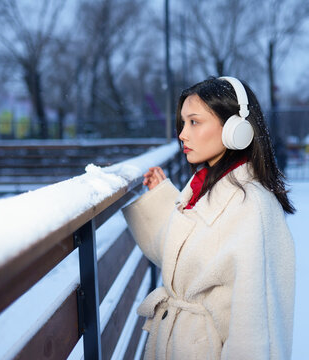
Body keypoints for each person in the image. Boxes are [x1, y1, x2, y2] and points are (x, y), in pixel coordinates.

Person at [122, 76, 295, 359]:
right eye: (183, 122)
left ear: (235, 129)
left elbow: (252, 326)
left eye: (194, 121)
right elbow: (185, 261)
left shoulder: (251, 205)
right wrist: (164, 198)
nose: (182, 134)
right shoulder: (203, 186)